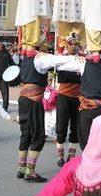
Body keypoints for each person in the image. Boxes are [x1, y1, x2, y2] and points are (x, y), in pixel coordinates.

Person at [16, 35, 75, 182]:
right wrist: (76, 58)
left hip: (23, 99)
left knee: (26, 134)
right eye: (45, 44)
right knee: (38, 135)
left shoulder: (27, 57)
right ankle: (30, 171)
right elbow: (58, 60)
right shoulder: (40, 58)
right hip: (33, 100)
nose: (47, 46)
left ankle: (21, 168)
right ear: (40, 45)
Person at [55, 33, 82, 167]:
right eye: (70, 44)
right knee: (61, 126)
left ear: (79, 45)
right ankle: (60, 154)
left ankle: (71, 156)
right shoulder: (60, 58)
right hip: (64, 96)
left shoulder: (83, 59)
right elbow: (62, 71)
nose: (73, 46)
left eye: (75, 44)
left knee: (76, 127)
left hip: (78, 97)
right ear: (66, 45)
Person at [43, 74, 58, 142]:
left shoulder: (54, 90)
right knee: (45, 121)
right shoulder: (42, 89)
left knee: (53, 122)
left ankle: (55, 136)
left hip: (54, 108)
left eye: (50, 80)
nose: (48, 82)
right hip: (46, 109)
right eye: (47, 80)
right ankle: (45, 134)